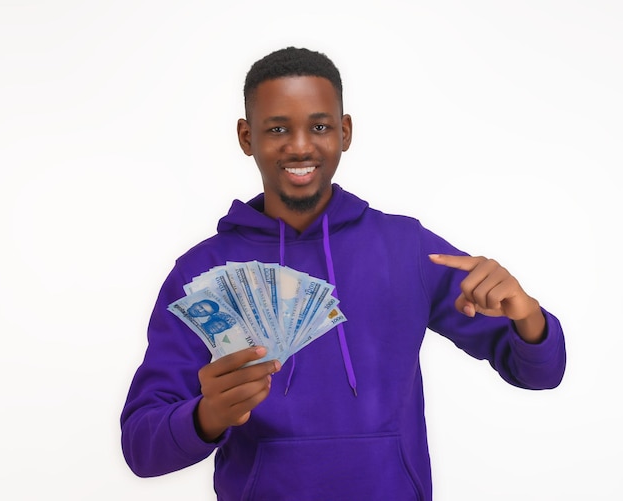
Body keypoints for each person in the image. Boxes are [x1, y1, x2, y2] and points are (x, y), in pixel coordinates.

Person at [120, 47, 566, 500]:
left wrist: (527, 317)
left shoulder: (405, 247)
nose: (299, 145)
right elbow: (142, 447)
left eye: (319, 126)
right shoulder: (204, 272)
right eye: (277, 129)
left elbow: (539, 373)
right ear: (246, 137)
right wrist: (207, 416)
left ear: (345, 131)